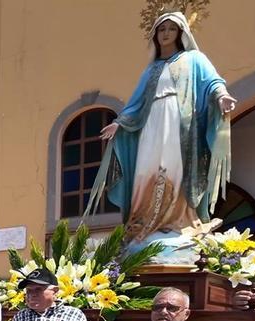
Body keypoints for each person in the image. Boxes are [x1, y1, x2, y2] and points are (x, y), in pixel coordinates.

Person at [91, 11, 235, 242]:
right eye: (162, 29)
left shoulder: (194, 59)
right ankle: (142, 225)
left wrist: (222, 96)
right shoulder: (151, 69)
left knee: (174, 167)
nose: (166, 33)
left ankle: (177, 223)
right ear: (155, 34)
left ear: (180, 33)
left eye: (171, 29)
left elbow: (212, 82)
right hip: (151, 125)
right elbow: (136, 103)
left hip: (179, 124)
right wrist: (119, 123)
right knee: (145, 171)